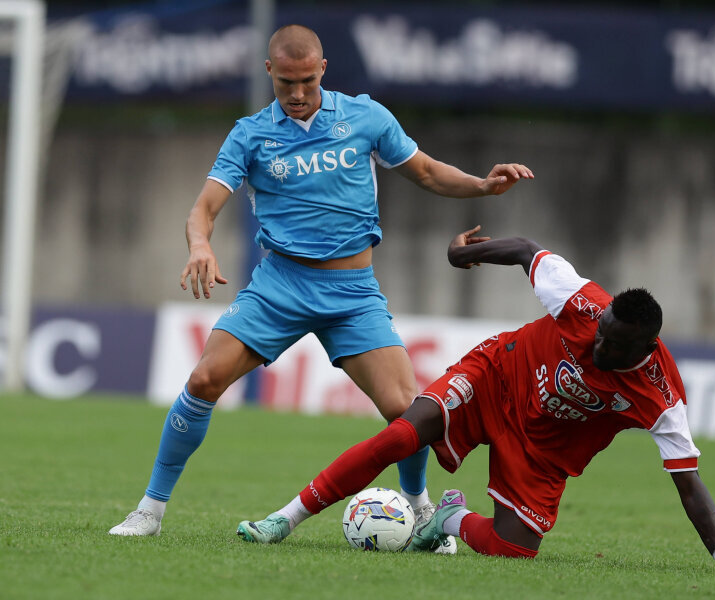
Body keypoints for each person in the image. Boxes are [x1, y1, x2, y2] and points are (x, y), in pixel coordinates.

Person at [108, 24, 533, 549]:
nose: (298, 93)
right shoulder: (249, 134)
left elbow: (423, 171)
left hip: (352, 293)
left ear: (323, 70)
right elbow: (204, 209)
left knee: (410, 410)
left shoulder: (365, 117)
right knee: (203, 380)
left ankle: (421, 510)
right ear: (270, 73)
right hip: (279, 285)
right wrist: (200, 244)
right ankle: (150, 509)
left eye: (307, 80)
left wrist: (482, 186)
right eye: (286, 82)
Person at [235, 225, 715, 575]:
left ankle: (444, 520)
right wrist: (462, 253)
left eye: (611, 345)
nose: (596, 344)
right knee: (403, 431)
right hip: (495, 377)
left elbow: (689, 485)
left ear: (645, 348)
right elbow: (524, 250)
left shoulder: (661, 394)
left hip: (542, 451)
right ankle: (284, 519)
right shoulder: (583, 302)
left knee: (513, 550)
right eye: (599, 331)